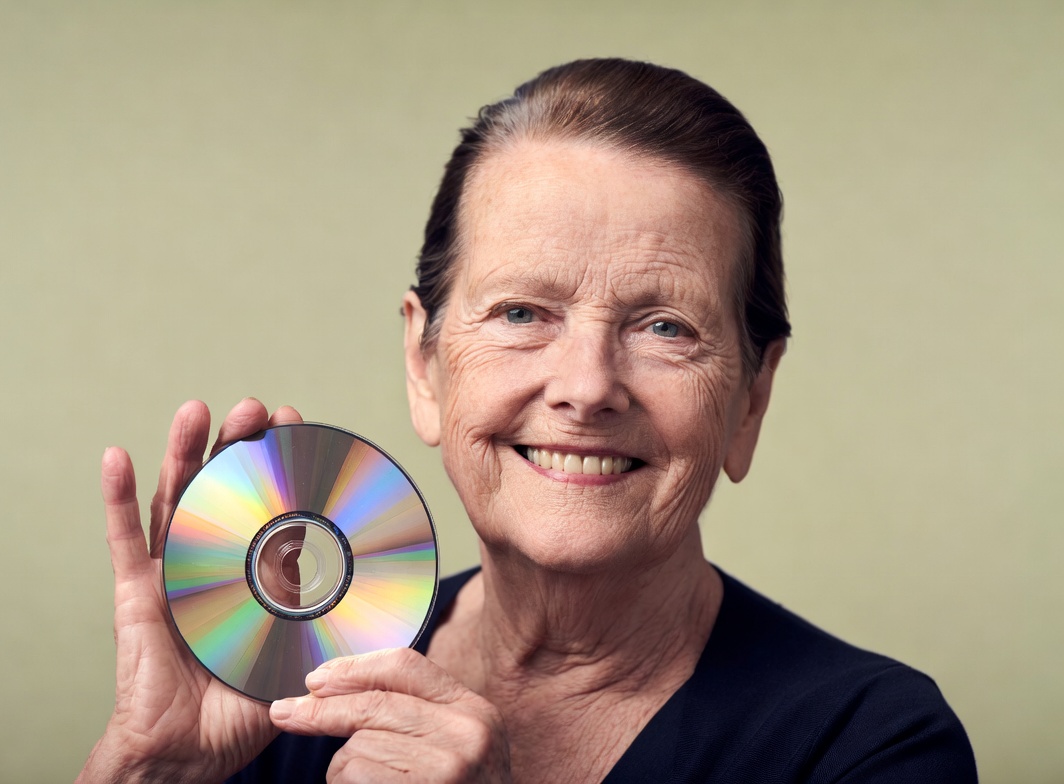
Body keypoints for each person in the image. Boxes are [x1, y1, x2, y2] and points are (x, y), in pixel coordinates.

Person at [79, 59, 976, 783]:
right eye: (521, 314)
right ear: (424, 364)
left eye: (665, 327)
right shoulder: (284, 688)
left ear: (750, 399)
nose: (587, 387)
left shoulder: (872, 745)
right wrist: (148, 771)